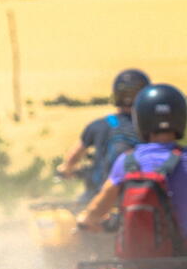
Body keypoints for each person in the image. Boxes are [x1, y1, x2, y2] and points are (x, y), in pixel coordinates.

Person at [75, 83, 187, 254]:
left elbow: (96, 211)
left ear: (140, 119)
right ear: (181, 118)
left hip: (134, 262)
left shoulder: (126, 161)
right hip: (183, 256)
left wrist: (87, 219)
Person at [60, 68, 149, 202]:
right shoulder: (151, 128)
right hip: (140, 199)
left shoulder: (102, 124)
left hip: (100, 198)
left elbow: (73, 156)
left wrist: (65, 170)